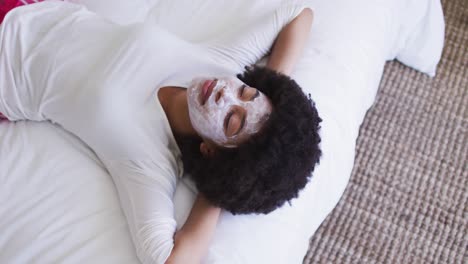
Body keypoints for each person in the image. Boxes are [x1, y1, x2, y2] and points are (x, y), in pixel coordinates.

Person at [0, 1, 320, 263]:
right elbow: (297, 14)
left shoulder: (149, 162)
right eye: (247, 93)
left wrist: (221, 193)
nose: (226, 93)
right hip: (31, 8)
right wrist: (271, 104)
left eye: (231, 122)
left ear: (211, 151)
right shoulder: (220, 65)